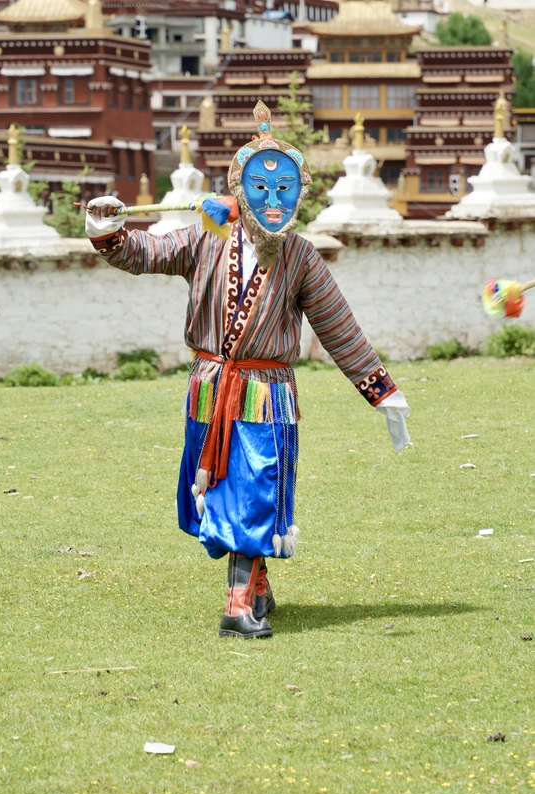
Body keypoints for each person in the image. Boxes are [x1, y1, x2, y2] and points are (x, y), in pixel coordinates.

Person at [84, 101, 411, 640]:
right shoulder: (206, 238)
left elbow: (338, 326)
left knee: (256, 488)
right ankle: (253, 586)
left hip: (266, 393)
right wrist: (108, 228)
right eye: (261, 187)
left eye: (285, 189)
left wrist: (382, 392)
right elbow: (145, 251)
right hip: (211, 389)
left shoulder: (300, 257)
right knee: (217, 493)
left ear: (299, 195)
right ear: (239, 190)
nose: (273, 200)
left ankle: (240, 604)